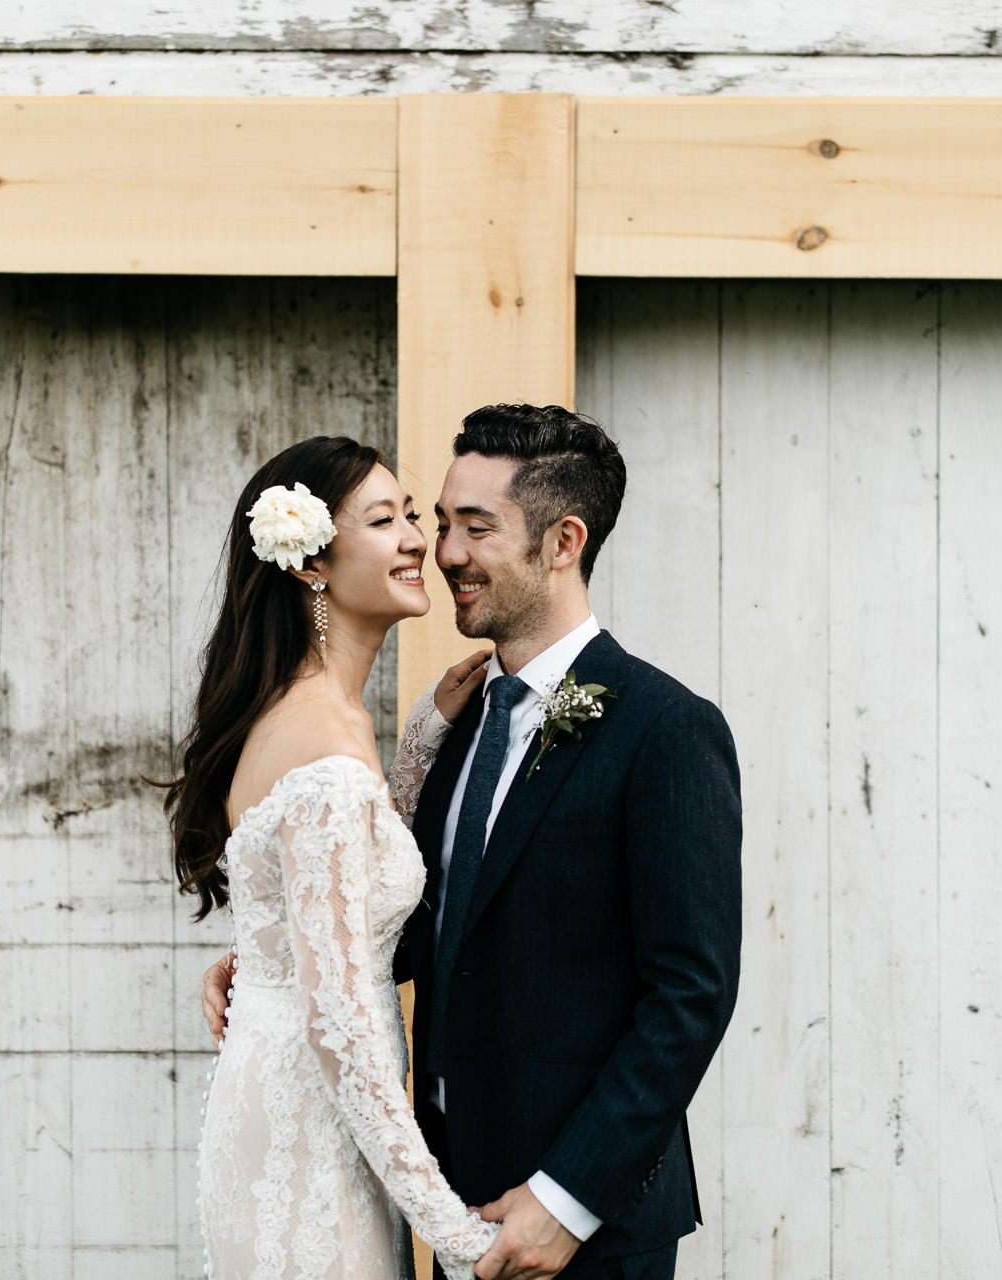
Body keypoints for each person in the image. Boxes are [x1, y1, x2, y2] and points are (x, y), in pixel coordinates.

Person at [203, 405, 743, 1280]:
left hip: (580, 1228)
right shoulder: (456, 724)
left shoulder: (667, 730)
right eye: (438, 521)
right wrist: (280, 957)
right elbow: (425, 930)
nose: (443, 549)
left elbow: (690, 995)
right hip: (445, 1198)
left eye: (474, 527)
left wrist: (566, 1199)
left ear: (563, 541)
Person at [162, 435, 500, 1280]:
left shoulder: (315, 714)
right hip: (313, 1131)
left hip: (295, 1105)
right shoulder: (324, 747)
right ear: (312, 564)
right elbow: (342, 1028)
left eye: (411, 515)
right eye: (385, 521)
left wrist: (418, 741)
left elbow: (332, 897)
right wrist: (456, 1236)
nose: (419, 540)